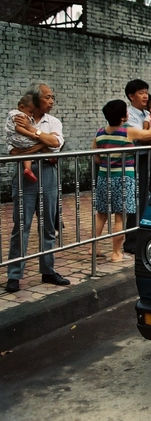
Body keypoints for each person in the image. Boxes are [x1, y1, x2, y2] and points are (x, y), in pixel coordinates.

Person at [5, 83, 66, 293]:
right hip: (25, 176)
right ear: (36, 99)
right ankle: (14, 275)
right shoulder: (18, 117)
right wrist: (43, 144)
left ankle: (48, 270)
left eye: (52, 97)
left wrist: (33, 133)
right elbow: (14, 151)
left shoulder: (54, 121)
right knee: (21, 227)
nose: (51, 101)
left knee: (48, 226)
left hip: (48, 173)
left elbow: (56, 145)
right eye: (48, 97)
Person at [92, 100, 151, 262]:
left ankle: (94, 248)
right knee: (120, 217)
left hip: (104, 177)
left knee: (101, 215)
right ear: (122, 116)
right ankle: (116, 253)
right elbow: (149, 134)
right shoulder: (127, 131)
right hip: (123, 178)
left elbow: (96, 156)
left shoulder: (100, 132)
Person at [122, 79, 151, 254]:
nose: (145, 95)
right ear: (131, 96)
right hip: (135, 161)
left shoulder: (146, 113)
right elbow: (143, 137)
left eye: (146, 92)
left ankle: (145, 235)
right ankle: (131, 241)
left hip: (148, 159)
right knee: (137, 199)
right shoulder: (129, 115)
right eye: (141, 92)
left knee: (148, 199)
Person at [5, 95, 38, 183]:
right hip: (20, 139)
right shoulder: (21, 115)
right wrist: (31, 134)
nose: (31, 115)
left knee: (27, 153)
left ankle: (28, 169)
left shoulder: (12, 113)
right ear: (22, 107)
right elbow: (18, 128)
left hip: (14, 141)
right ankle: (50, 157)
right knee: (40, 141)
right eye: (30, 112)